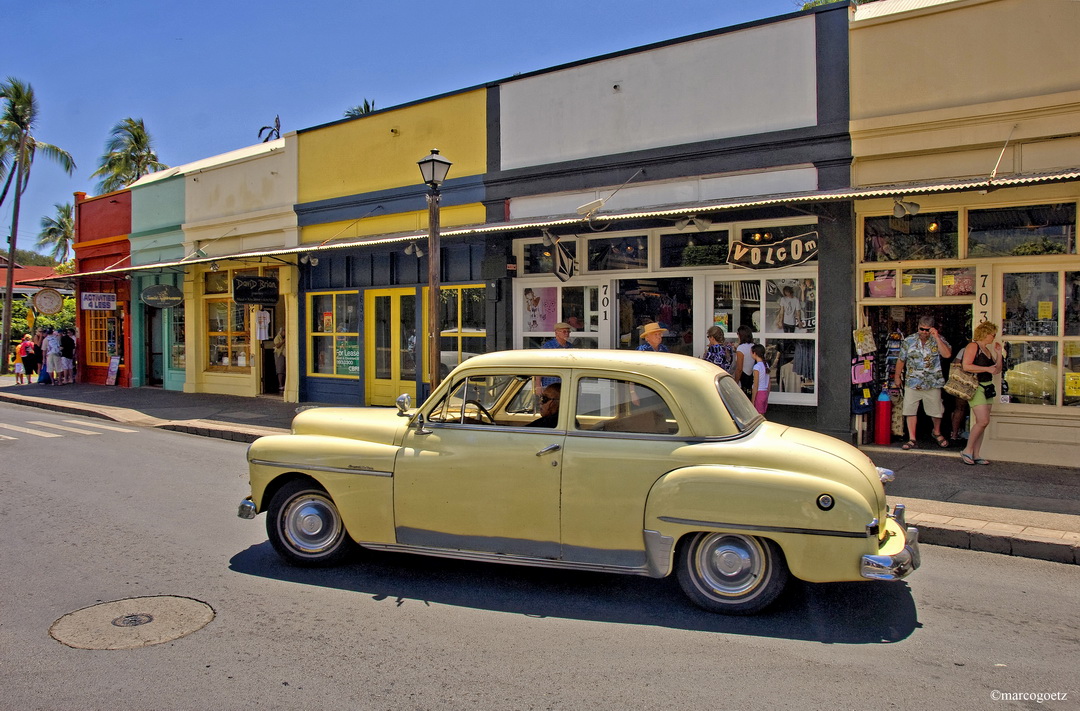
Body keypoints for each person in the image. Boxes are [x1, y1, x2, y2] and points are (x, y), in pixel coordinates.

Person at [893, 315, 953, 450]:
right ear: (918, 327)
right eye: (922, 329)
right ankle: (912, 438)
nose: (924, 332)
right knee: (910, 409)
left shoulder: (939, 340)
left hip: (932, 381)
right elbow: (901, 359)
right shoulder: (909, 341)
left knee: (936, 410)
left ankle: (936, 432)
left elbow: (947, 355)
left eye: (927, 330)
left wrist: (936, 337)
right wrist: (897, 376)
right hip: (913, 381)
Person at [960, 321, 1002, 466]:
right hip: (976, 386)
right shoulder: (973, 346)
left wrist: (999, 354)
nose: (994, 337)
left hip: (987, 386)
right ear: (985, 333)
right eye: (993, 334)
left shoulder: (987, 350)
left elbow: (996, 369)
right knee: (983, 420)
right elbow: (966, 365)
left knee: (983, 423)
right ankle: (967, 449)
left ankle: (977, 453)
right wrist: (986, 369)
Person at [733, 324, 756, 395]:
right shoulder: (753, 346)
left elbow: (739, 368)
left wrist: (735, 383)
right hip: (751, 376)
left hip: (743, 377)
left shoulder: (741, 348)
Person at [750, 343, 770, 414]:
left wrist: (752, 400)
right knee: (763, 414)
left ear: (754, 353)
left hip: (759, 393)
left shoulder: (757, 367)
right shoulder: (766, 365)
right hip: (764, 393)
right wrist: (767, 395)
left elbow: (755, 385)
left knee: (758, 416)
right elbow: (768, 383)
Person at [273, 327, 286, 392]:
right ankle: (281, 385)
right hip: (279, 354)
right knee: (280, 370)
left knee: (285, 370)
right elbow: (277, 346)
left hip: (286, 354)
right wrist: (283, 341)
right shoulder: (277, 338)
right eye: (284, 331)